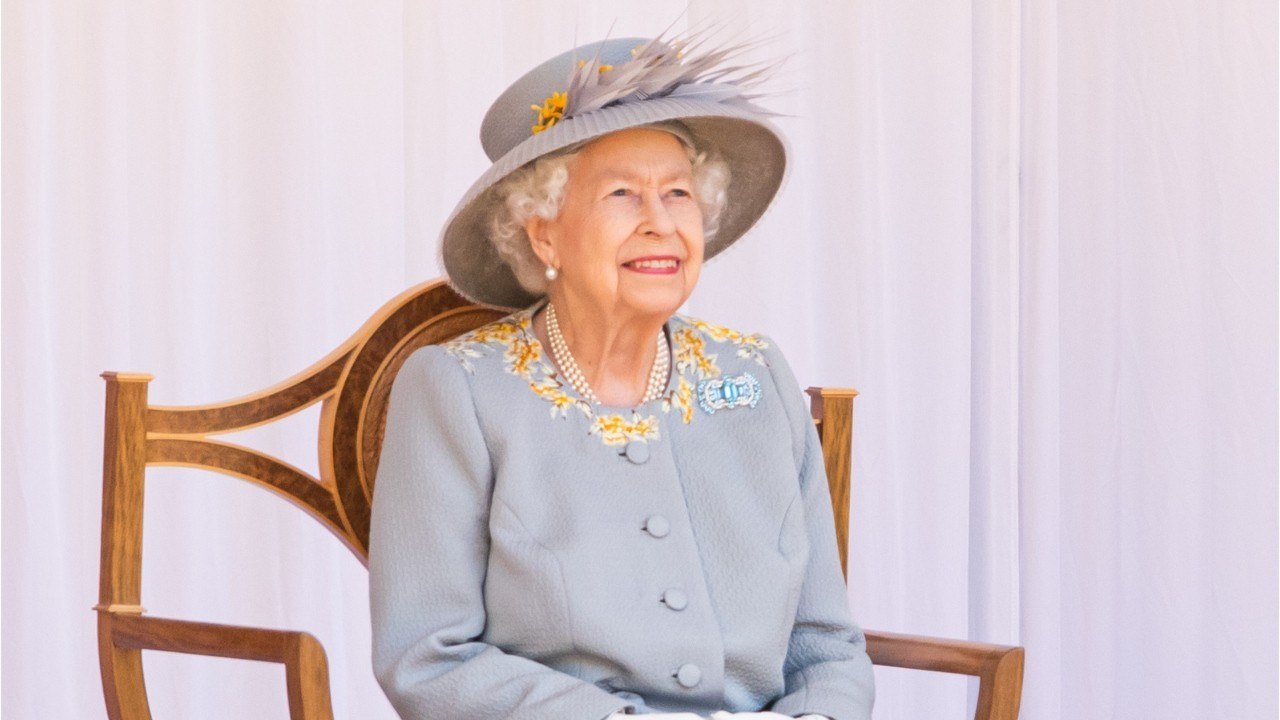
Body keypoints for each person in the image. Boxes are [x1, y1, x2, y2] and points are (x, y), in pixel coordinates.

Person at [368, 32, 875, 720]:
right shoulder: (457, 390)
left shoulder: (758, 375)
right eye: (621, 195)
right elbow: (426, 656)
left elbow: (827, 646)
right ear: (544, 232)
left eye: (677, 193)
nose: (660, 223)